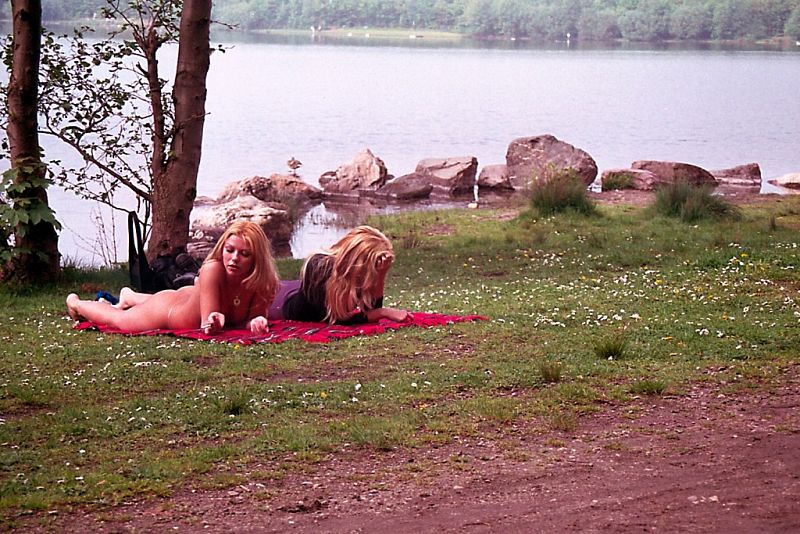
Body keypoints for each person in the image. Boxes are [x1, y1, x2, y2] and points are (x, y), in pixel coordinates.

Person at [66, 220, 280, 335]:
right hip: (167, 311)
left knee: (178, 295)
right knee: (118, 320)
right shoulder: (212, 270)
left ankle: (130, 296)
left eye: (244, 254)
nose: (234, 259)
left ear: (256, 258)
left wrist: (257, 322)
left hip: (188, 296)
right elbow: (207, 326)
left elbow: (253, 320)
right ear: (222, 248)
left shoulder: (264, 281)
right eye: (229, 250)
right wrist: (214, 321)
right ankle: (76, 303)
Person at [269, 225, 409, 324]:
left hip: (300, 289)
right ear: (360, 260)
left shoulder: (358, 274)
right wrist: (383, 312)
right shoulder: (318, 267)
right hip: (280, 302)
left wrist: (380, 274)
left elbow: (371, 310)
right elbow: (334, 320)